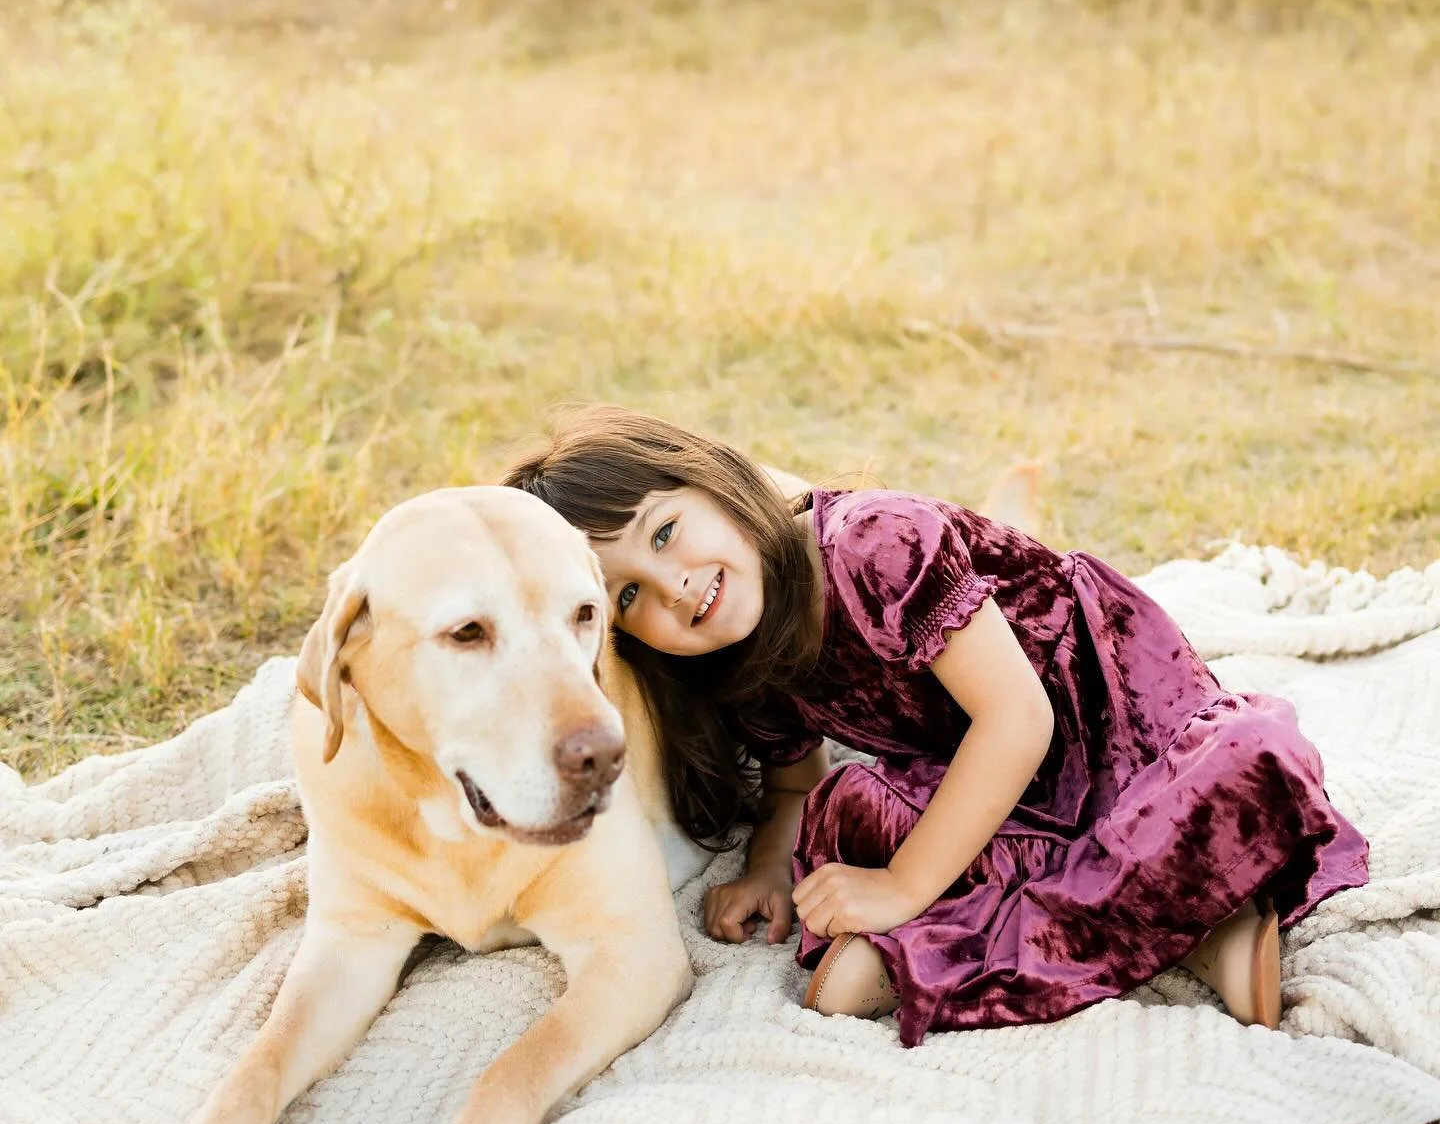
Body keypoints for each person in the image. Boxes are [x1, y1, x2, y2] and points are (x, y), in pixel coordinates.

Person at [503, 408, 1369, 1047]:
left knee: (1253, 761)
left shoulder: (875, 542)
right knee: (849, 812)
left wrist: (906, 888)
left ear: (719, 482)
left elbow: (1018, 716)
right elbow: (798, 782)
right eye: (627, 597)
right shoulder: (731, 653)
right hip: (972, 768)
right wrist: (768, 866)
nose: (674, 587)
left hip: (1096, 717)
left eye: (665, 533)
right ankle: (1167, 915)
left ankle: (1168, 931)